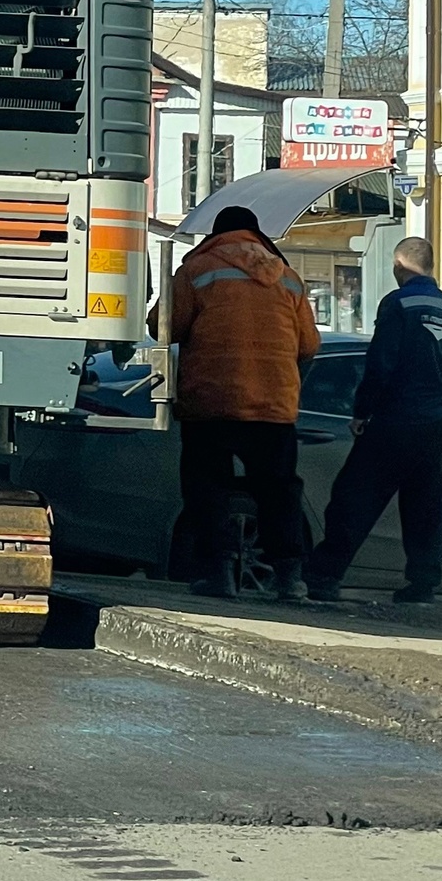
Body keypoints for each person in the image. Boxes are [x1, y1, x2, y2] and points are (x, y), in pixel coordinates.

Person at [170, 205, 319, 599]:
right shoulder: (288, 278)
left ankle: (217, 574)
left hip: (211, 402)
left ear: (217, 235)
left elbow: (164, 326)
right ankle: (289, 578)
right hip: (274, 406)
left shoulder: (196, 271)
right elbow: (309, 345)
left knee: (209, 490)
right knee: (279, 492)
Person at [305, 236, 442, 605]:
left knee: (354, 500)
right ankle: (423, 584)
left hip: (396, 421)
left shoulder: (398, 304)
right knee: (426, 509)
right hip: (437, 428)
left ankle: (324, 576)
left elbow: (381, 362)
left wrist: (362, 412)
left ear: (399, 266)